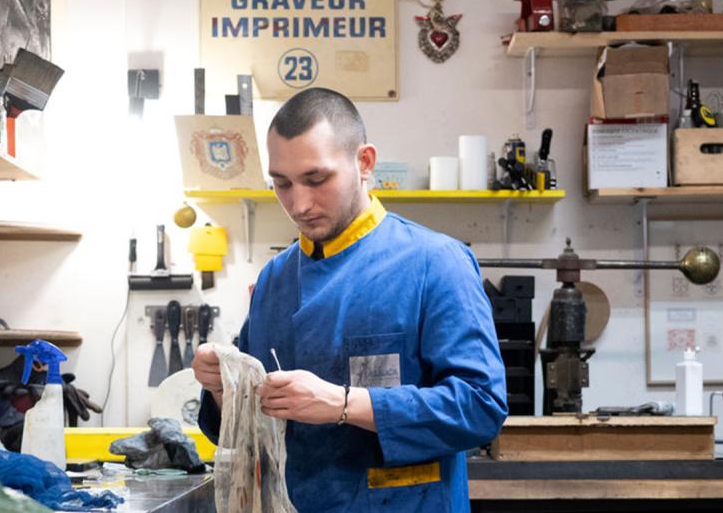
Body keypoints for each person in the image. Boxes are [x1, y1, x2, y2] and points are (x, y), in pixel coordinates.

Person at [193, 87, 507, 512]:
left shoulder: (435, 263)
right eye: (282, 184)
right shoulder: (274, 279)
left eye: (316, 180)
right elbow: (247, 429)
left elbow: (481, 407)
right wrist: (222, 389)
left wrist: (344, 404)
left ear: (364, 163)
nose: (299, 204)